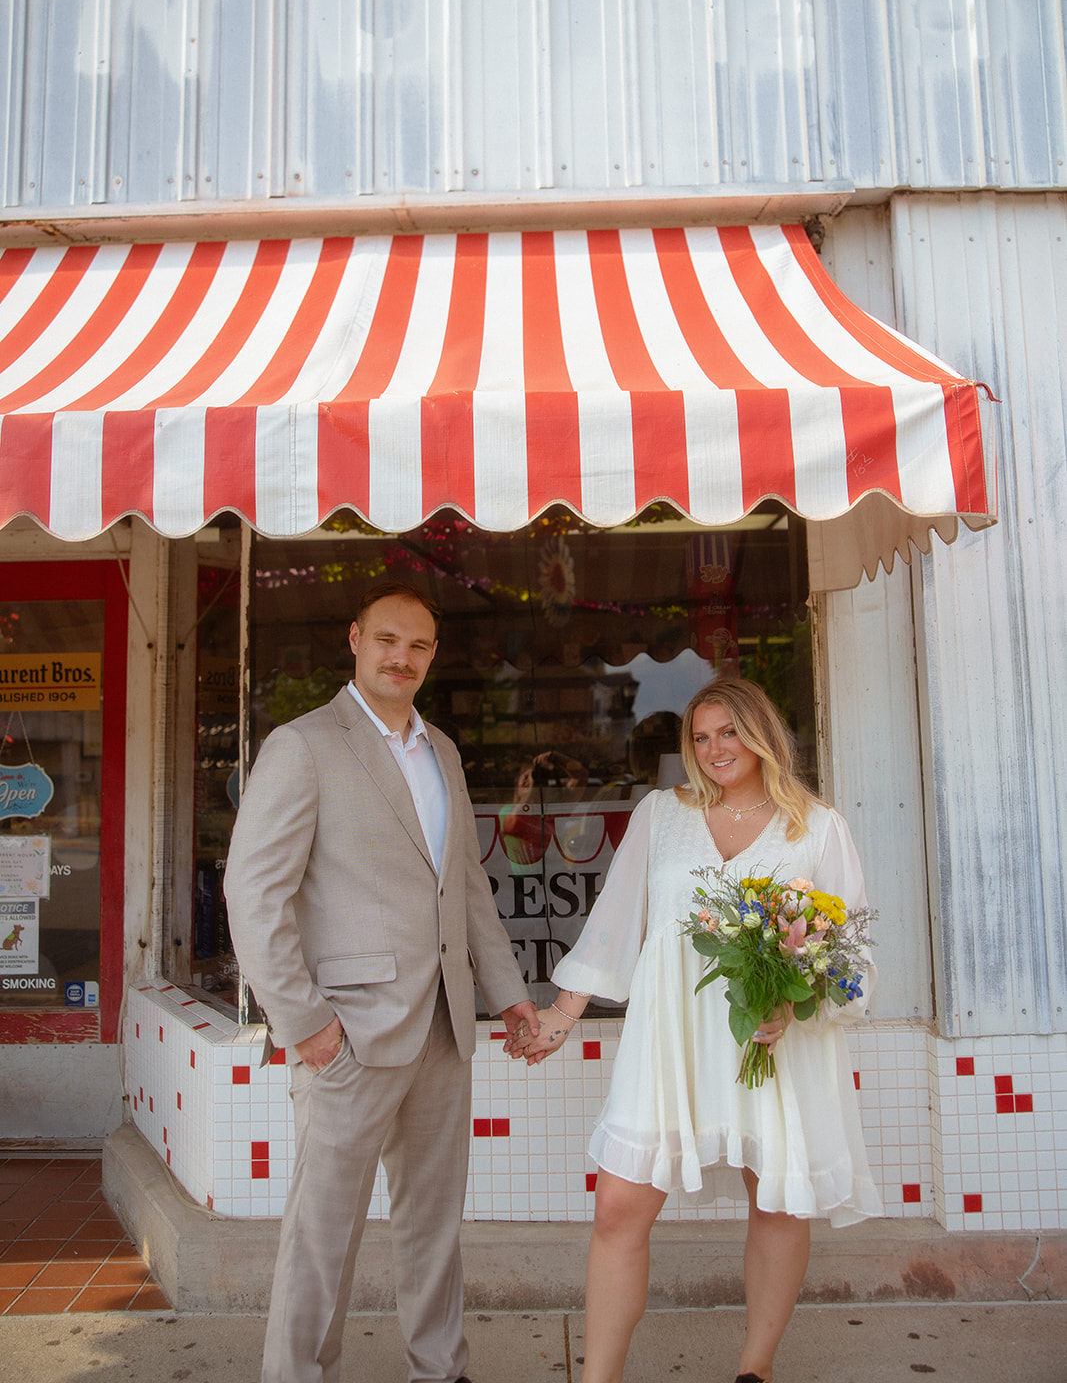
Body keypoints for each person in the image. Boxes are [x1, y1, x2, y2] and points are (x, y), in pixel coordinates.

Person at [506, 678, 880, 1383]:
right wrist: (562, 1013)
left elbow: (851, 953)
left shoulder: (817, 826)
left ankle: (754, 1368)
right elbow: (616, 920)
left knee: (774, 1197)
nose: (714, 749)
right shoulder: (662, 812)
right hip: (669, 1037)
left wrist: (794, 1004)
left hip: (772, 1045)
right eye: (700, 738)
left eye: (729, 732)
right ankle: (598, 1378)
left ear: (762, 733)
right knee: (618, 1205)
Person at [224, 580, 539, 1383]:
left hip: (442, 1027)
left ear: (432, 657)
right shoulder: (303, 745)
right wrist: (303, 1023)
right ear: (356, 639)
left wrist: (506, 995)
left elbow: (463, 885)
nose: (402, 657)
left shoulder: (441, 751)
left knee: (432, 1221)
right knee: (322, 1229)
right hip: (348, 1034)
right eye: (388, 640)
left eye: (419, 646)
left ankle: (439, 1367)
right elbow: (253, 894)